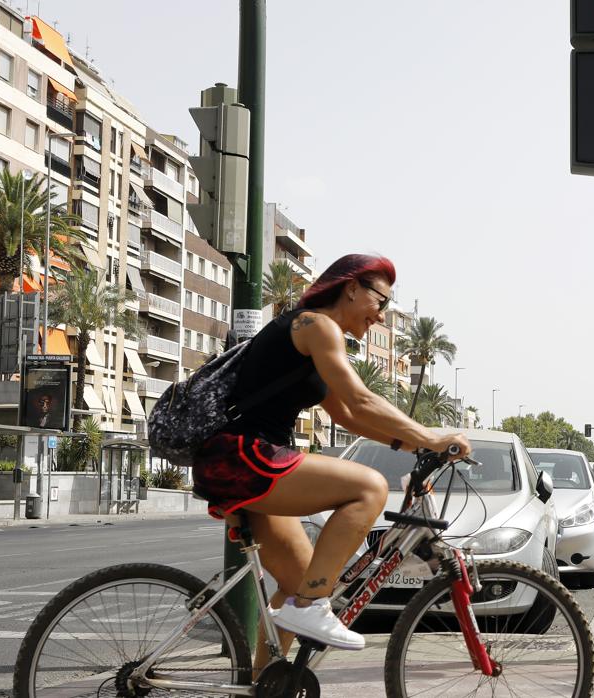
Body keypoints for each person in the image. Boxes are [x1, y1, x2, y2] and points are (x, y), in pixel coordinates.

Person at [190, 254, 471, 662]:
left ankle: (264, 685)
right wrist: (431, 435)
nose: (382, 316)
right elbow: (361, 397)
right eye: (382, 302)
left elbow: (348, 415)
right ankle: (313, 608)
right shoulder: (315, 325)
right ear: (352, 287)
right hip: (242, 456)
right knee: (369, 487)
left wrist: (412, 445)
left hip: (234, 461)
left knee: (298, 582)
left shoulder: (309, 338)